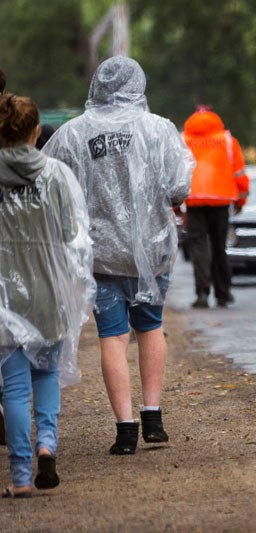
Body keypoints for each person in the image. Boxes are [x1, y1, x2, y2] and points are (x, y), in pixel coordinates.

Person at [43, 56, 194, 455]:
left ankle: (125, 428)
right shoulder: (160, 130)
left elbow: (52, 183)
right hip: (153, 253)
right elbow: (180, 188)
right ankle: (153, 416)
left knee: (112, 335)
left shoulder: (73, 134)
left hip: (100, 256)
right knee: (150, 327)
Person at [0, 93, 94, 497]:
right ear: (37, 131)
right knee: (47, 374)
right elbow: (73, 234)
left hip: (5, 296)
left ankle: (21, 477)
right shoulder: (56, 175)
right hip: (50, 292)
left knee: (15, 388)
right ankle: (47, 445)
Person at [182, 106, 249, 308]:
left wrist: (176, 207)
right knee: (220, 246)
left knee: (198, 247)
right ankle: (223, 292)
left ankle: (202, 293)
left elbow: (174, 174)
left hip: (193, 200)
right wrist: (241, 200)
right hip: (221, 200)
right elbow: (239, 174)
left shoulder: (183, 141)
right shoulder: (228, 141)